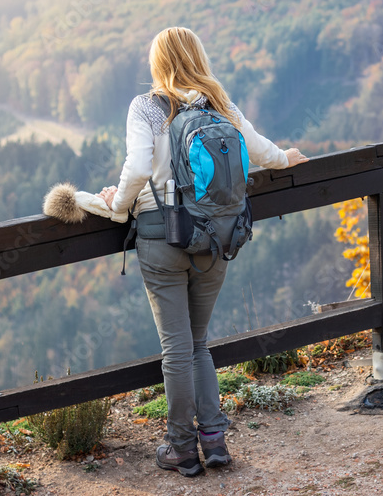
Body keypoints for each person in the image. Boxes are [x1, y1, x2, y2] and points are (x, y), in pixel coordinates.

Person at [98, 26, 308, 477]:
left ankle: (179, 448)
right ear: (198, 56)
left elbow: (137, 166)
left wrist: (118, 205)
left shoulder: (148, 107)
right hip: (217, 237)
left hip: (162, 236)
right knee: (198, 344)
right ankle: (214, 442)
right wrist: (286, 157)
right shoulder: (218, 101)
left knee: (175, 348)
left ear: (158, 64)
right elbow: (259, 151)